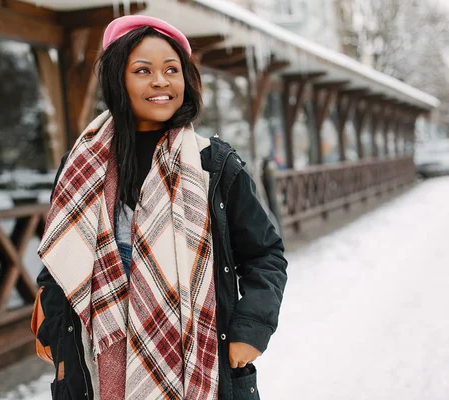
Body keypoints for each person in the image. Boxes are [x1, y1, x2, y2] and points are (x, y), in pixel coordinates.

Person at [35, 15, 287, 400]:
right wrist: (56, 338)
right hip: (97, 370)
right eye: (143, 70)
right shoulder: (81, 166)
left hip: (201, 366)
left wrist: (251, 328)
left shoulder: (214, 164)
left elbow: (265, 253)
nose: (160, 81)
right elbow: (57, 266)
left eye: (172, 70)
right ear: (118, 79)